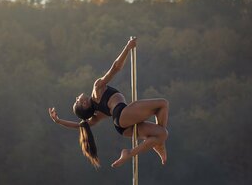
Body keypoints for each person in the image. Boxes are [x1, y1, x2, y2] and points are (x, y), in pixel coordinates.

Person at [48, 37, 169, 168]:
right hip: (123, 115)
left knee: (162, 134)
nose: (77, 97)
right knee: (162, 104)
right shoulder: (97, 89)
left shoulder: (97, 114)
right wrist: (127, 48)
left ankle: (131, 152)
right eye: (77, 101)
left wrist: (59, 121)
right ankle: (158, 145)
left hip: (122, 128)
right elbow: (115, 68)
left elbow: (80, 125)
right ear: (84, 103)